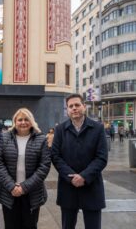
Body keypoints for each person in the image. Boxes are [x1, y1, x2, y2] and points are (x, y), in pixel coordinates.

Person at [51, 94, 108, 229]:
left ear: (84, 106)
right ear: (67, 110)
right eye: (71, 106)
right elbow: (55, 156)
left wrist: (84, 176)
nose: (74, 108)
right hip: (68, 187)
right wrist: (71, 176)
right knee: (67, 226)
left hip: (91, 185)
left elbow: (102, 157)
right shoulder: (60, 130)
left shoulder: (98, 128)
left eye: (77, 105)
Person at [0, 108, 51, 229]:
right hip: (9, 192)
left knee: (30, 225)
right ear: (15, 121)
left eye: (26, 119)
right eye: (20, 119)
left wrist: (24, 187)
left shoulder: (41, 139)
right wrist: (12, 186)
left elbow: (44, 166)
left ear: (32, 121)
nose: (23, 122)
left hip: (32, 192)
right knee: (11, 225)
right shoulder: (4, 138)